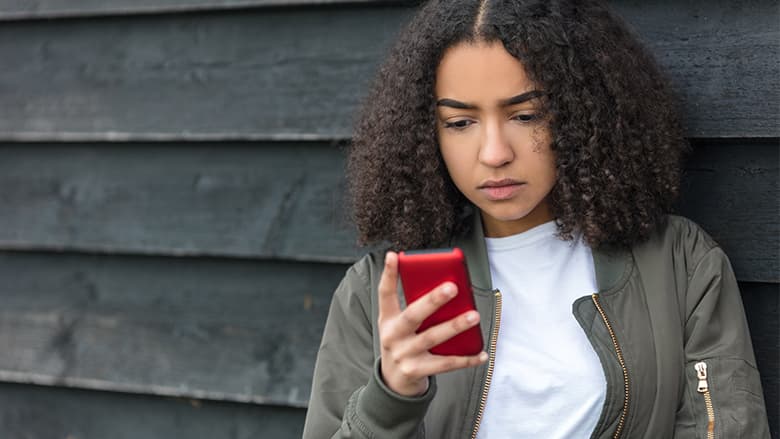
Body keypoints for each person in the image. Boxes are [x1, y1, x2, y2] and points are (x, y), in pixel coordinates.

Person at [302, 0, 771, 437]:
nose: (494, 153)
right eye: (460, 122)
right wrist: (391, 397)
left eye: (525, 115)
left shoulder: (680, 263)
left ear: (580, 113)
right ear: (428, 135)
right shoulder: (376, 292)